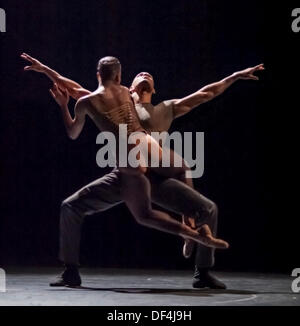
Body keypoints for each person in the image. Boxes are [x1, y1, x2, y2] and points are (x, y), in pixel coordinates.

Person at [21, 53, 264, 289]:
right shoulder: (121, 97)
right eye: (139, 74)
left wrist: (234, 76)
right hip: (123, 175)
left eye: (148, 75)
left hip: (155, 176)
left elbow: (205, 94)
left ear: (153, 89)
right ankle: (70, 270)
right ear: (127, 83)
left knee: (208, 208)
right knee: (71, 206)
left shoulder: (166, 108)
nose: (144, 74)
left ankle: (201, 269)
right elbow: (74, 89)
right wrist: (46, 70)